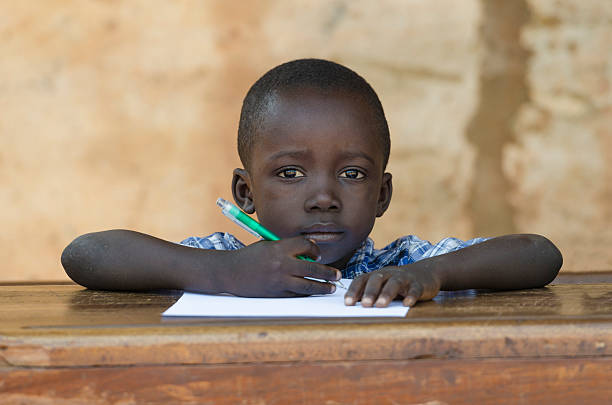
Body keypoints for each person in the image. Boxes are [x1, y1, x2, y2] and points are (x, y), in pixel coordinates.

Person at [61, 58, 563, 308]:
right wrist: (224, 273)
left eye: (352, 174)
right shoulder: (222, 260)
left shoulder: (398, 269)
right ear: (245, 194)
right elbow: (86, 254)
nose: (323, 197)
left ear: (382, 195)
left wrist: (431, 278)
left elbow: (538, 254)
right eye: (290, 173)